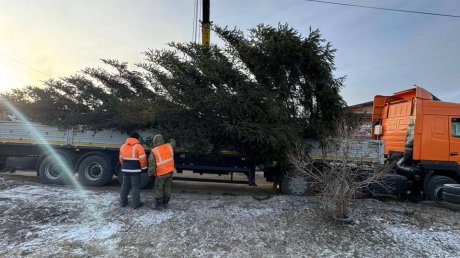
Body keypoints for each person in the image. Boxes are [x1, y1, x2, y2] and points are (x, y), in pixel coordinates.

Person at [119, 132, 147, 209]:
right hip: (135, 171)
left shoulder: (123, 146)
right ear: (137, 138)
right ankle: (136, 204)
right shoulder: (139, 146)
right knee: (135, 187)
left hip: (125, 170)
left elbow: (121, 159)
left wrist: (124, 166)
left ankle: (122, 202)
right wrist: (144, 168)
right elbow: (143, 159)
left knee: (125, 186)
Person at [148, 134, 175, 210]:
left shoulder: (154, 151)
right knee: (167, 188)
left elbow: (152, 164)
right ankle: (165, 204)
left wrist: (151, 174)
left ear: (155, 141)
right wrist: (171, 137)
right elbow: (173, 142)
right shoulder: (169, 146)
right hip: (170, 171)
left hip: (160, 173)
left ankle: (159, 206)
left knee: (158, 189)